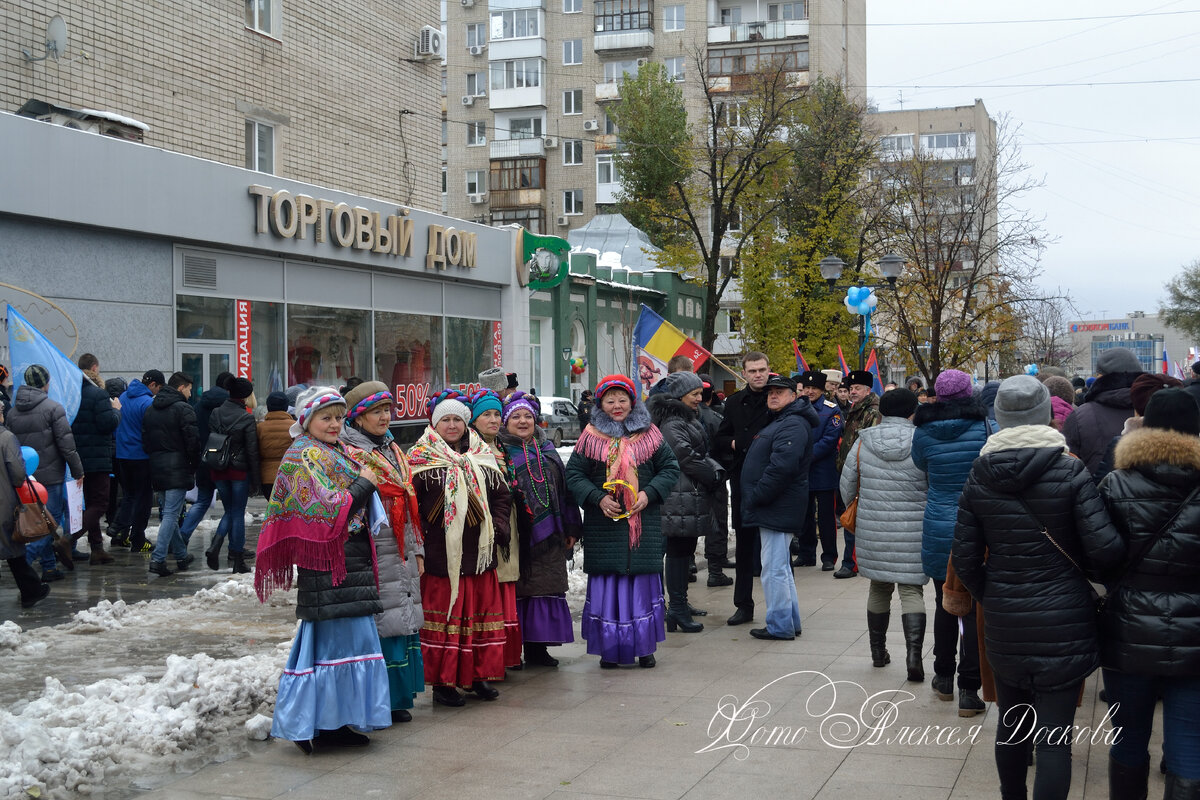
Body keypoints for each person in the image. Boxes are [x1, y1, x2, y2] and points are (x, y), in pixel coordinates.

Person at [953, 375, 1124, 800]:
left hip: (1006, 618)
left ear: (999, 418)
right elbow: (1105, 550)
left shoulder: (980, 472)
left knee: (1011, 726)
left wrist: (993, 595)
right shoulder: (1070, 470)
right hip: (1065, 618)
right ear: (1047, 415)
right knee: (1054, 739)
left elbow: (965, 556)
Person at [253, 386, 389, 752]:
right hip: (326, 561)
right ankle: (311, 724)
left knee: (354, 641)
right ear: (306, 420)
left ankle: (339, 721)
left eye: (338, 417)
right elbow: (328, 509)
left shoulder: (335, 451)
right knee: (326, 645)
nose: (334, 424)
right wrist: (365, 483)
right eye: (325, 417)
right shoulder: (301, 456)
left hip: (350, 557)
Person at [1098, 388, 1200, 800]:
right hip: (1196, 633)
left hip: (1128, 628)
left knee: (1128, 734)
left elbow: (1098, 557)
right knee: (1190, 740)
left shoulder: (1116, 483)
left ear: (1145, 424)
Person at [566, 374, 679, 668]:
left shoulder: (650, 434)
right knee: (609, 589)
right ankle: (610, 649)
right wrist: (597, 498)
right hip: (604, 526)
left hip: (643, 527)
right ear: (600, 404)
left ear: (632, 401)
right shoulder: (590, 437)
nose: (617, 405)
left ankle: (644, 647)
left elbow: (669, 467)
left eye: (622, 399)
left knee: (641, 587)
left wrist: (649, 492)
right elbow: (574, 476)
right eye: (610, 400)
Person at [408, 390, 511, 706]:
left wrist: (497, 525)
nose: (452, 425)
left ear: (467, 423)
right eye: (446, 420)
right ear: (434, 424)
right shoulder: (419, 458)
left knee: (478, 618)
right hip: (443, 557)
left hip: (479, 552)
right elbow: (411, 508)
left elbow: (501, 496)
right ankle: (444, 683)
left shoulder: (482, 455)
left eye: (458, 419)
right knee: (449, 620)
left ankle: (478, 676)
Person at [340, 381, 426, 723]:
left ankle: (400, 697)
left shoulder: (392, 448)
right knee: (382, 621)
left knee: (401, 617)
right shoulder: (351, 453)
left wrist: (417, 548)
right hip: (374, 546)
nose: (385, 417)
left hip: (401, 543)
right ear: (359, 418)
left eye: (387, 410)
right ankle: (382, 700)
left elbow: (408, 497)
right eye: (377, 411)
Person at [911, 368, 990, 716]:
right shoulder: (986, 428)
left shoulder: (923, 432)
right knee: (972, 607)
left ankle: (943, 677)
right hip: (978, 522)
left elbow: (920, 465)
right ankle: (969, 690)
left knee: (946, 600)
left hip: (940, 522)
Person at [840, 388, 928, 680]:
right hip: (914, 529)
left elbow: (847, 486)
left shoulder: (864, 443)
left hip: (872, 527)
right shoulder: (922, 441)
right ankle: (914, 656)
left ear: (881, 412)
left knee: (879, 587)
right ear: (913, 411)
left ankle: (878, 653)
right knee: (911, 589)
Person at [498, 391, 581, 667]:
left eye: (528, 417)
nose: (522, 422)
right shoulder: (500, 452)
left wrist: (570, 526)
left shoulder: (547, 450)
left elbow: (565, 492)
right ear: (505, 422)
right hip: (516, 535)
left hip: (551, 537)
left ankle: (537, 648)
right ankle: (513, 650)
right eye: (516, 417)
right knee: (518, 592)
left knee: (544, 589)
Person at [740, 374, 815, 641]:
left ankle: (780, 625)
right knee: (780, 566)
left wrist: (757, 495)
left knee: (773, 568)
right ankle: (788, 622)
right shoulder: (784, 420)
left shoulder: (792, 423)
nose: (773, 395)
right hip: (777, 505)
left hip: (776, 505)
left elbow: (782, 467)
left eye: (780, 392)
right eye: (770, 392)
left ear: (794, 396)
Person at [648, 371, 723, 634]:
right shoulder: (672, 422)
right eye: (694, 394)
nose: (700, 398)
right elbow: (686, 457)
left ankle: (680, 604)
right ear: (680, 395)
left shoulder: (683, 418)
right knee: (678, 552)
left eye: (700, 393)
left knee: (683, 551)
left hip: (685, 495)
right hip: (677, 497)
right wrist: (711, 474)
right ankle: (676, 608)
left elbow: (696, 453)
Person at [7, 364, 84, 580]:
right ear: (46, 383)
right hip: (51, 477)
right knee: (49, 521)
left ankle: (49, 567)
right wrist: (78, 471)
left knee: (40, 519)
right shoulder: (54, 408)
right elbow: (67, 445)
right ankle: (24, 562)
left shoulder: (12, 412)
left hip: (26, 478)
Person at [715, 351, 773, 626]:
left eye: (762, 369)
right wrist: (736, 443)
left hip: (773, 479)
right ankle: (743, 605)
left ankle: (781, 608)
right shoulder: (735, 402)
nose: (758, 375)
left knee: (776, 549)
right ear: (744, 373)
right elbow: (720, 438)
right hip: (742, 479)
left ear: (768, 370)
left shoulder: (778, 398)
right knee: (744, 545)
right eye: (752, 371)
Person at [468, 387, 523, 672]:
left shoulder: (500, 447)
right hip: (485, 526)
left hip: (507, 523)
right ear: (474, 420)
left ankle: (507, 656)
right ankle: (490, 658)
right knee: (492, 588)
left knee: (507, 583)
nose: (493, 420)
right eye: (486, 415)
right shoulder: (471, 449)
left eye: (496, 414)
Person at [142, 372, 201, 576]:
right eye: (189, 389)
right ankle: (158, 559)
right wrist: (193, 465)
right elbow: (192, 442)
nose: (191, 393)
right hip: (177, 467)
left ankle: (181, 555)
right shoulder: (184, 409)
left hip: (157, 466)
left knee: (170, 513)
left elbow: (145, 441)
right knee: (170, 515)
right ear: (181, 388)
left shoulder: (151, 409)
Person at [70, 354, 120, 565]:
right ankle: (68, 539)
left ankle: (97, 548)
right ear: (94, 368)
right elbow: (106, 423)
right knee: (100, 503)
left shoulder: (71, 393)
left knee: (89, 503)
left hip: (78, 458)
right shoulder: (99, 395)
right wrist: (117, 411)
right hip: (97, 458)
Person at [208, 377, 260, 573]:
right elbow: (252, 450)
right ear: (246, 396)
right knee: (237, 512)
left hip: (218, 467)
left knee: (230, 511)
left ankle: (215, 546)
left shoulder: (215, 413)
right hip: (239, 470)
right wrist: (255, 480)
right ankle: (237, 558)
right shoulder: (246, 417)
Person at [1064, 346, 1143, 476]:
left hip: (1096, 492)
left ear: (1100, 377)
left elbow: (1068, 469)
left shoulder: (1080, 417)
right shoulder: (1159, 410)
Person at [834, 370, 882, 579]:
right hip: (849, 470)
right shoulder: (857, 408)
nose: (852, 392)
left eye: (857, 388)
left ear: (868, 390)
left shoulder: (872, 411)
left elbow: (868, 444)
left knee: (852, 518)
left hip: (862, 472)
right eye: (851, 388)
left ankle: (851, 562)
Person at [177, 372, 232, 551]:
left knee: (201, 502)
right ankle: (230, 545)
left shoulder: (199, 405)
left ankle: (182, 537)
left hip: (204, 459)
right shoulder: (228, 406)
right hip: (225, 462)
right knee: (233, 508)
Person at [2, 404, 49, 607]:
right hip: (4, 501)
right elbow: (18, 473)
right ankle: (32, 591)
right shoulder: (5, 438)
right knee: (14, 549)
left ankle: (32, 590)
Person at [794, 370, 842, 570]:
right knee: (804, 516)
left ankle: (829, 556)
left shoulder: (831, 410)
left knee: (826, 518)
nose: (810, 391)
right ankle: (806, 554)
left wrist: (807, 456)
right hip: (801, 473)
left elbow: (830, 440)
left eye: (814, 388)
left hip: (823, 471)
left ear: (822, 390)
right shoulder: (796, 408)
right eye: (807, 388)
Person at [112, 369, 163, 552]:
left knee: (129, 495)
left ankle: (119, 531)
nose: (157, 392)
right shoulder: (148, 402)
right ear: (152, 385)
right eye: (158, 388)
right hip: (141, 456)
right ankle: (138, 539)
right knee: (143, 499)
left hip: (122, 455)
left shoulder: (123, 397)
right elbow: (151, 431)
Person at [696, 373, 733, 585]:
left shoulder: (683, 418)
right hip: (715, 477)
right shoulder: (717, 419)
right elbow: (726, 449)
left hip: (691, 478)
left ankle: (690, 565)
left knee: (689, 522)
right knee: (716, 523)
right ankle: (715, 570)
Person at [257, 392, 294, 498]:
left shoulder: (260, 428)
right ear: (286, 407)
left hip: (267, 476)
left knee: (273, 510)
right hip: (290, 474)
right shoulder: (294, 426)